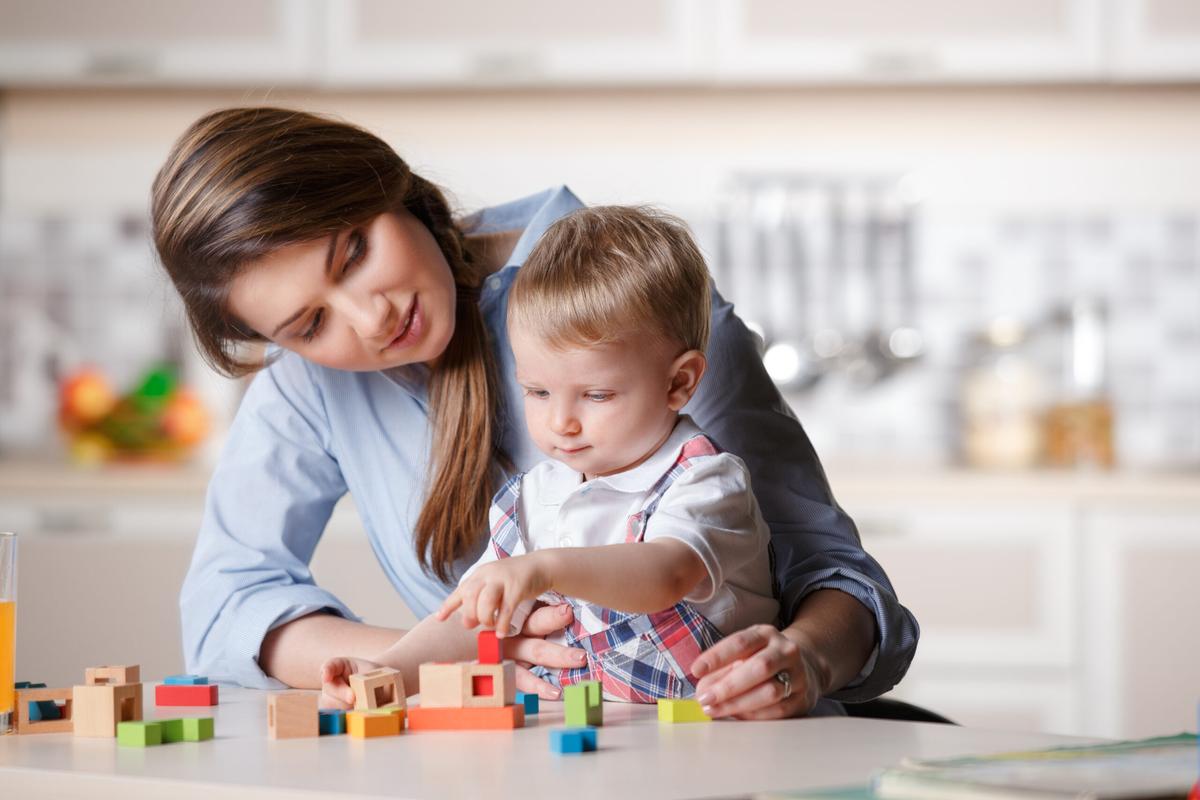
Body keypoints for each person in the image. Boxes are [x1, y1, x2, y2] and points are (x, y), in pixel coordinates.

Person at [151, 106, 918, 720]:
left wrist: (808, 660)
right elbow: (225, 612)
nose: (369, 315)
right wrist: (449, 658)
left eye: (352, 252)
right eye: (310, 325)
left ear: (383, 181)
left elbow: (838, 580)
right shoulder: (312, 382)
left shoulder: (624, 309)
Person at [319, 205, 781, 707]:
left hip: (714, 742)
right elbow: (469, 621)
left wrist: (545, 568)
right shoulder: (532, 499)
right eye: (537, 392)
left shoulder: (706, 481)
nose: (561, 422)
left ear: (679, 382)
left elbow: (665, 574)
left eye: (597, 395)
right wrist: (384, 671)